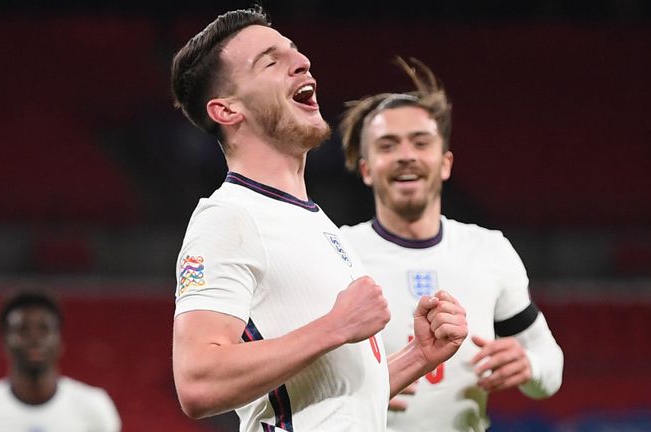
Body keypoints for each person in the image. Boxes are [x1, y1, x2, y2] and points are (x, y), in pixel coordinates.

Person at [169, 6, 468, 432]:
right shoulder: (229, 217)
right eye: (271, 61)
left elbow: (332, 406)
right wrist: (335, 326)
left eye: (295, 52)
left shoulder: (313, 221)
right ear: (227, 111)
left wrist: (417, 357)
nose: (303, 62)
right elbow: (197, 382)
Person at [339, 58, 564, 432]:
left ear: (445, 164)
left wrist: (530, 367)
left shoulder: (488, 250)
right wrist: (346, 393)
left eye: (420, 142)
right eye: (388, 145)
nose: (406, 155)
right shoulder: (337, 253)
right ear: (366, 169)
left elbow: (549, 364)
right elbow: (284, 381)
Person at [0, 290, 121, 431]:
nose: (34, 339)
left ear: (60, 342)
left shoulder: (93, 407)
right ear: (4, 343)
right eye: (23, 330)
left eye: (44, 329)